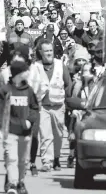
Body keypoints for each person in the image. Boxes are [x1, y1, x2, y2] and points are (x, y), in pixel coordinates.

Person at [0, 61, 40, 194]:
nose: (28, 72)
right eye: (26, 70)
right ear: (19, 73)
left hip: (25, 132)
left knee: (23, 160)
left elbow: (34, 108)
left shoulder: (29, 90)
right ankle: (12, 184)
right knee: (11, 158)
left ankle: (21, 182)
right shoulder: (6, 90)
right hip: (10, 131)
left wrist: (30, 120)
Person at [34, 40, 72, 172]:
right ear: (40, 52)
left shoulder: (61, 65)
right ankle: (47, 162)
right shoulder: (35, 67)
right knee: (45, 135)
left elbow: (68, 84)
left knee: (59, 135)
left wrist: (68, 102)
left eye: (50, 50)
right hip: (42, 107)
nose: (49, 53)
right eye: (46, 51)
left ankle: (56, 158)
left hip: (58, 106)